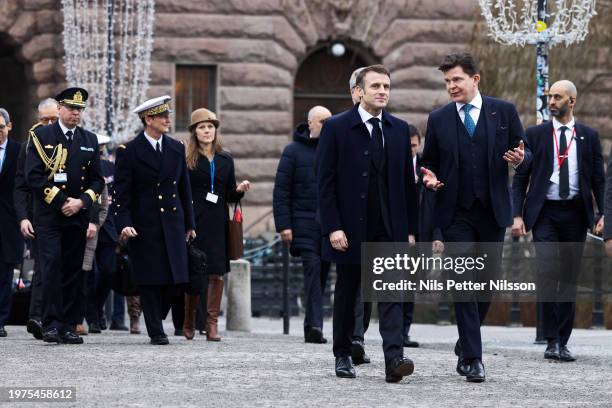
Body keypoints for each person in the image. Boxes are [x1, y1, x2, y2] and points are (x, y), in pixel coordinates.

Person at [420, 53, 530, 382]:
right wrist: (429, 178)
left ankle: (465, 340)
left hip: (493, 212)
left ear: (475, 79)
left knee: (485, 286)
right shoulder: (438, 119)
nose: (451, 86)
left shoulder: (503, 111)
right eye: (447, 82)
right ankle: (474, 358)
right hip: (456, 215)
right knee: (463, 282)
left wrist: (521, 159)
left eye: (457, 80)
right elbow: (429, 162)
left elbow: (526, 152)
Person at [317, 64, 419, 383]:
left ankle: (393, 359)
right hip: (349, 228)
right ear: (359, 91)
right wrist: (333, 226)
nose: (382, 91)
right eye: (375, 86)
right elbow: (325, 183)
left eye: (386, 86)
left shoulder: (400, 129)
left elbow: (406, 185)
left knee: (390, 292)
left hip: (388, 227)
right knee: (348, 293)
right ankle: (344, 354)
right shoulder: (336, 128)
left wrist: (411, 231)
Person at [512, 80, 604, 362]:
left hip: (576, 215)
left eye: (557, 97)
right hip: (545, 215)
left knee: (568, 279)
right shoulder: (536, 135)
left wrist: (603, 215)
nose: (551, 101)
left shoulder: (589, 136)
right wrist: (516, 215)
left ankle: (562, 342)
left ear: (572, 101)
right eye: (549, 96)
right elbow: (520, 179)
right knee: (548, 271)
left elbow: (599, 181)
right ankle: (550, 339)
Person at [114, 95, 196, 345]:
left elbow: (184, 189)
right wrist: (124, 223)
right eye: (162, 116)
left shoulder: (176, 148)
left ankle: (157, 316)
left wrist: (190, 223)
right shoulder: (129, 151)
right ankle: (155, 330)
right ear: (148, 120)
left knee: (174, 280)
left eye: (167, 115)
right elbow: (121, 193)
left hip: (173, 222)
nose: (167, 120)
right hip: (144, 224)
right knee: (150, 279)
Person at [25, 87, 105, 344]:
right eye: (71, 108)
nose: (75, 113)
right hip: (50, 216)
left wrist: (81, 202)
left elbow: (97, 180)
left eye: (80, 109)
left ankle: (69, 324)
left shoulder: (90, 139)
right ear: (59, 108)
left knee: (73, 270)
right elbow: (34, 177)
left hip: (77, 215)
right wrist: (62, 202)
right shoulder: (42, 136)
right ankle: (49, 323)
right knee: (51, 267)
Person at [184, 108, 250, 341]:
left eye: (210, 127)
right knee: (195, 273)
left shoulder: (225, 159)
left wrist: (239, 191)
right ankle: (190, 319)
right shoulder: (187, 158)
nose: (207, 131)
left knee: (217, 274)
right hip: (195, 221)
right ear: (194, 132)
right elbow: (182, 192)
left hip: (218, 223)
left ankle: (212, 323)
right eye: (202, 127)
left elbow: (229, 195)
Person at [273, 105, 332, 344]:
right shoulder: (293, 151)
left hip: (328, 226)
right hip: (303, 224)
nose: (327, 126)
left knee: (322, 276)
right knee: (312, 270)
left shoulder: (334, 150)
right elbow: (282, 191)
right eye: (322, 122)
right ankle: (316, 325)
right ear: (310, 124)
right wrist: (284, 226)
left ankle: (310, 324)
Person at [13, 98, 59, 340]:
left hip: (65, 214)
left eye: (53, 119)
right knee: (43, 265)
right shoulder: (29, 145)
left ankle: (60, 318)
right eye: (45, 120)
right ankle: (37, 316)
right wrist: (22, 218)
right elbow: (20, 186)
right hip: (37, 215)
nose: (49, 124)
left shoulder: (69, 140)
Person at [0, 108, 24, 337]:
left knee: (5, 272)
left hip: (9, 222)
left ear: (9, 126)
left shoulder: (19, 150)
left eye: (0, 127)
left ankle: (0, 320)